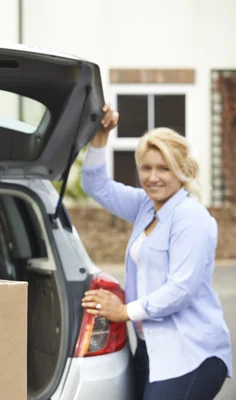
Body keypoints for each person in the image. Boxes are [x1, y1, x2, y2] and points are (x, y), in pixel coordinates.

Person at [80, 104, 232, 399]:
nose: (153, 177)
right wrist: (101, 137)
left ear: (183, 171)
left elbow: (181, 289)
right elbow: (95, 185)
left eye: (164, 168)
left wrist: (124, 311)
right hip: (151, 348)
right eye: (146, 168)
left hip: (190, 351)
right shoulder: (144, 206)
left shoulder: (192, 217)